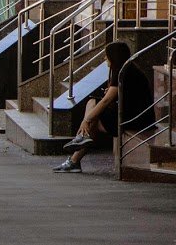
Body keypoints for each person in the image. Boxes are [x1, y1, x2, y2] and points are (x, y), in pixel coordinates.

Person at [53, 41, 156, 173]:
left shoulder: (122, 71)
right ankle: (77, 152)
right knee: (91, 102)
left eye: (107, 55)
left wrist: (87, 120)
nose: (105, 58)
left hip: (136, 119)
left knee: (93, 121)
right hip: (132, 114)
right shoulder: (125, 68)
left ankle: (76, 155)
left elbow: (107, 100)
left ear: (114, 57)